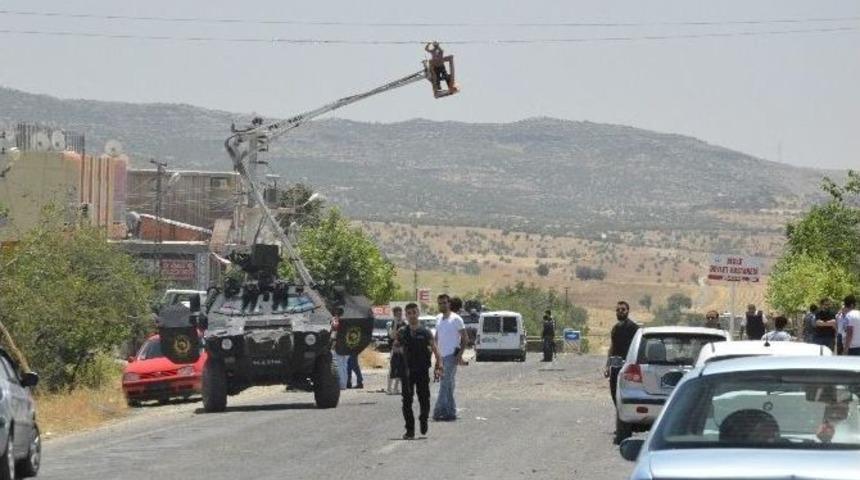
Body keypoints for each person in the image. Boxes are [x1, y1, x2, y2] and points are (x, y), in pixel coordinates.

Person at [395, 303, 443, 439]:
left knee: (424, 399)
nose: (411, 315)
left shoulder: (425, 332)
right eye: (409, 313)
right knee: (406, 401)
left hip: (422, 370)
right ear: (406, 315)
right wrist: (398, 347)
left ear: (418, 313)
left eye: (414, 312)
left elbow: (435, 349)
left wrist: (439, 365)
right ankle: (409, 430)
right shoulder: (402, 332)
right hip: (407, 372)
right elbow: (395, 347)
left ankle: (423, 419)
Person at [432, 293, 467, 421]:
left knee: (444, 384)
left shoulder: (456, 319)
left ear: (449, 303)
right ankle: (451, 412)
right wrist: (435, 355)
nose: (442, 305)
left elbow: (465, 338)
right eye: (440, 303)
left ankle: (438, 411)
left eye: (445, 303)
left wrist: (459, 356)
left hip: (451, 356)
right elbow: (436, 338)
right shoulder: (438, 318)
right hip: (441, 357)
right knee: (449, 385)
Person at [605, 301, 639, 406]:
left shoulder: (634, 328)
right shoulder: (615, 328)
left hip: (628, 365)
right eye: (618, 310)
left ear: (628, 311)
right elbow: (612, 346)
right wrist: (607, 366)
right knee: (614, 392)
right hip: (615, 365)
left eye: (623, 309)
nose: (620, 312)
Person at [388, 306, 407, 394]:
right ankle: (389, 388)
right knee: (392, 369)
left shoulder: (404, 323)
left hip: (402, 349)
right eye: (397, 313)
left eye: (400, 312)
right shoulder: (391, 323)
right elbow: (392, 336)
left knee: (401, 369)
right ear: (394, 314)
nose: (399, 314)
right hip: (394, 349)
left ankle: (395, 388)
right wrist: (395, 323)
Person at [330, 307, 349, 390]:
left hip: (339, 345)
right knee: (344, 365)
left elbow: (334, 328)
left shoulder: (337, 321)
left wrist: (333, 321)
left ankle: (341, 384)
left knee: (339, 365)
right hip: (347, 345)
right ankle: (344, 384)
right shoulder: (348, 321)